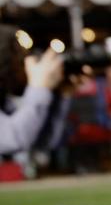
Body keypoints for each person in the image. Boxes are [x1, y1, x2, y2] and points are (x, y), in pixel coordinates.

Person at [0, 25, 71, 155]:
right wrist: (39, 87)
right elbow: (13, 139)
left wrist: (58, 94)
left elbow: (41, 142)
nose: (28, 65)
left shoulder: (5, 99)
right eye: (20, 57)